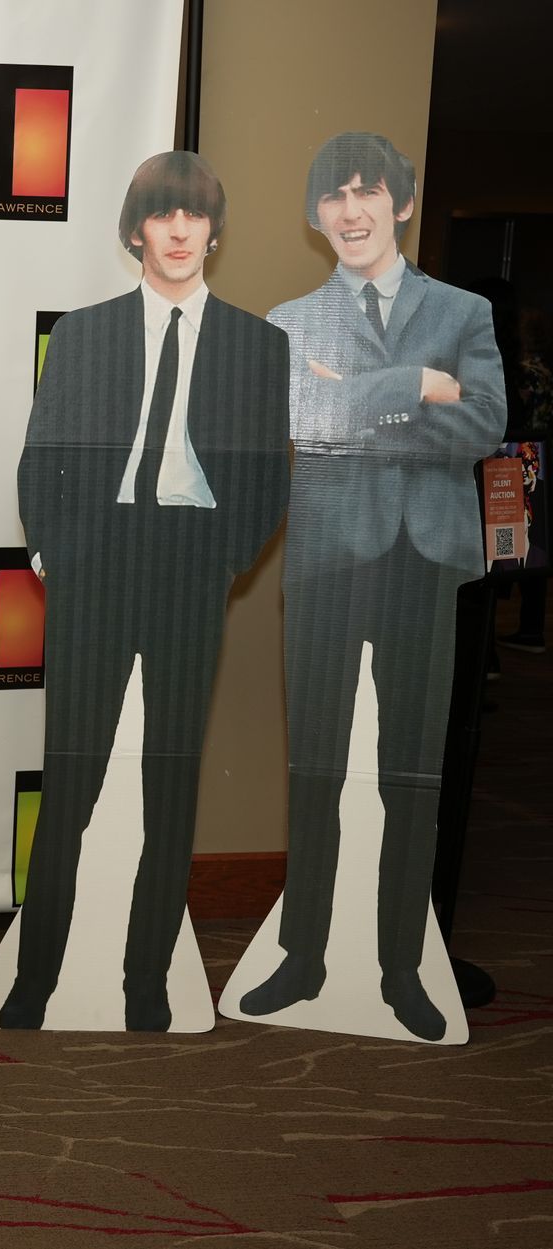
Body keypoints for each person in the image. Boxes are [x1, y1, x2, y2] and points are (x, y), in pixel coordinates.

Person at [2, 151, 290, 1031]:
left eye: (194, 216)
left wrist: (222, 562)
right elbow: (41, 451)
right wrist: (55, 551)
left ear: (212, 231)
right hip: (97, 559)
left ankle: (147, 980)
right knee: (74, 774)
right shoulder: (84, 333)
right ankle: (36, 976)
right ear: (136, 230)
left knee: (169, 779)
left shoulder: (256, 343)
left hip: (190, 565)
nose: (177, 231)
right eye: (161, 215)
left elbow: (267, 476)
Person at [239, 133, 505, 1040]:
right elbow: (297, 418)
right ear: (316, 216)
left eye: (368, 192)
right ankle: (305, 955)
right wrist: (409, 387)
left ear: (403, 200)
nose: (351, 210)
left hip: (424, 562)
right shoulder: (289, 322)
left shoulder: (463, 311)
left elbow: (482, 424)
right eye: (334, 196)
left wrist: (358, 399)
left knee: (410, 772)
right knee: (315, 766)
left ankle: (402, 967)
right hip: (323, 562)